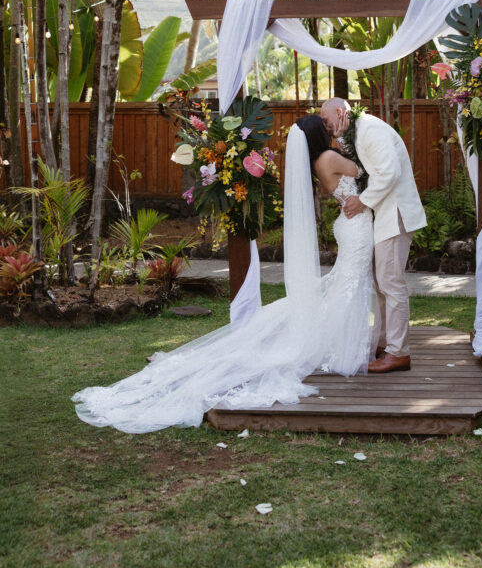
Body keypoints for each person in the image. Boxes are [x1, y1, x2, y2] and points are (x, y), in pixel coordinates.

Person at [72, 117, 374, 434]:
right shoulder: (330, 157)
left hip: (351, 224)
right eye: (325, 125)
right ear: (318, 135)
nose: (330, 127)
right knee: (346, 286)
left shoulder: (320, 160)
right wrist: (350, 136)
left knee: (345, 285)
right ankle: (340, 347)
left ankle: (341, 343)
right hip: (355, 227)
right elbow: (366, 170)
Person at [320, 99, 426, 373]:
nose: (325, 126)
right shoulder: (356, 132)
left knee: (391, 282)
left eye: (326, 120)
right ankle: (384, 343)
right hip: (384, 214)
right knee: (381, 283)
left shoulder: (370, 129)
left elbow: (390, 173)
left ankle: (399, 352)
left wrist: (362, 201)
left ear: (340, 113)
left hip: (395, 212)